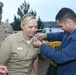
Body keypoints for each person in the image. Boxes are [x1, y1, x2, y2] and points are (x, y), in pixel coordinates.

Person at [33, 7, 76, 75]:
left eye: (61, 26)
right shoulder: (70, 31)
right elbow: (60, 35)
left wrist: (41, 46)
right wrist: (45, 35)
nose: (61, 29)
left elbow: (60, 57)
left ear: (69, 22)